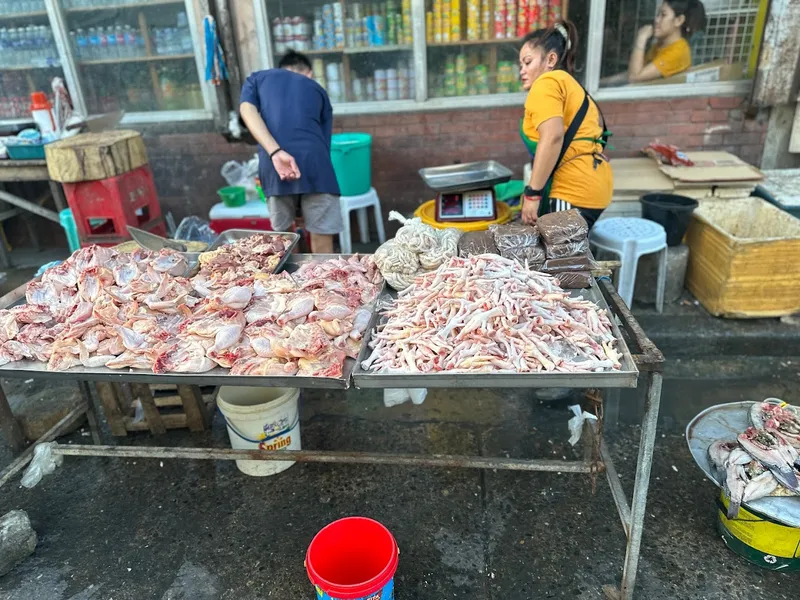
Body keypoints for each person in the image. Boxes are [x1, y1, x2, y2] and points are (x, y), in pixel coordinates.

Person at [239, 50, 342, 253]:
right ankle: (324, 282)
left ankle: (288, 282)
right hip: (317, 168)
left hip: (275, 166)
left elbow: (246, 110)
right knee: (322, 239)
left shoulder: (257, 79)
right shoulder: (318, 90)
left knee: (283, 242)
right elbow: (324, 144)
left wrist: (275, 151)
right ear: (309, 73)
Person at [519, 21, 612, 229]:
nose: (522, 71)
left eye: (528, 62)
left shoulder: (546, 83)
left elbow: (552, 136)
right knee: (571, 256)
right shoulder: (571, 85)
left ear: (551, 59)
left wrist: (532, 195)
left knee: (561, 260)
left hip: (571, 191)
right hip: (595, 187)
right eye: (521, 65)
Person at [601, 0, 706, 86]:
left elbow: (634, 77)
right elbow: (631, 73)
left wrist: (641, 39)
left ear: (678, 20)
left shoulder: (679, 51)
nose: (656, 20)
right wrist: (601, 83)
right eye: (657, 14)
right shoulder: (660, 46)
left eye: (663, 15)